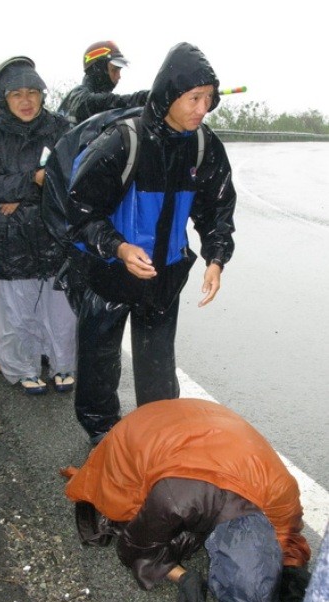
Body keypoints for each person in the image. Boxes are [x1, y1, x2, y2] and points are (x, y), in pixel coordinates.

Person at [52, 42, 236, 445]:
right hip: (108, 273)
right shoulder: (123, 141)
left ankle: (159, 437)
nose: (202, 108)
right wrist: (118, 247)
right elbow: (80, 212)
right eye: (194, 98)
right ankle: (102, 438)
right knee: (99, 363)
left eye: (208, 99)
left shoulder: (205, 146)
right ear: (170, 94)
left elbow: (217, 208)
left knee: (157, 367)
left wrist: (216, 258)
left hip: (164, 276)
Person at [62, 397, 312, 602]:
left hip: (204, 424)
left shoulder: (281, 492)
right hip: (138, 433)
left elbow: (286, 533)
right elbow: (134, 547)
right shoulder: (176, 500)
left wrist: (291, 571)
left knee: (175, 530)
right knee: (134, 518)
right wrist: (181, 577)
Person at [0, 56, 76, 394]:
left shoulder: (62, 129)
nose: (26, 101)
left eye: (33, 92)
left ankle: (64, 364)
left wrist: (20, 191)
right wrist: (34, 180)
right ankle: (24, 367)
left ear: (43, 95)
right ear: (5, 98)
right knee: (18, 309)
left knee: (60, 307)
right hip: (11, 235)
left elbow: (72, 178)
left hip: (54, 232)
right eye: (16, 94)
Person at [57, 40, 148, 126]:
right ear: (99, 69)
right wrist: (141, 98)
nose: (119, 76)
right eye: (114, 70)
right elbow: (92, 103)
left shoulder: (105, 112)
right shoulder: (76, 97)